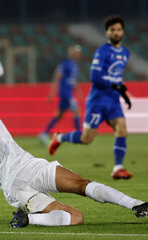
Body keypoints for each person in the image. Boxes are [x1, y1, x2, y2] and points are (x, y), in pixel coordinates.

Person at [0, 10, 148, 228]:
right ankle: (135, 205)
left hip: (13, 188)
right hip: (29, 167)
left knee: (75, 217)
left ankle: (29, 218)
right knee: (82, 185)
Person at [48, 15, 133, 180]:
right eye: (112, 30)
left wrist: (123, 93)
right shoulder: (102, 51)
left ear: (123, 31)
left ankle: (117, 168)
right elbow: (95, 76)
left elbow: (117, 77)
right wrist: (114, 85)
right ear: (107, 33)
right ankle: (59, 137)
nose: (116, 32)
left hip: (113, 100)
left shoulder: (125, 53)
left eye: (119, 29)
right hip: (98, 101)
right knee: (86, 139)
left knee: (122, 130)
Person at [38, 45, 83, 146]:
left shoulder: (75, 65)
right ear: (72, 53)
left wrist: (78, 91)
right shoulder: (65, 64)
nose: (78, 54)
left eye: (78, 53)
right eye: (76, 52)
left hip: (69, 93)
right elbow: (57, 76)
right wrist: (52, 92)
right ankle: (79, 136)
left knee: (59, 115)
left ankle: (44, 133)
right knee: (76, 111)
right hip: (65, 93)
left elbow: (73, 80)